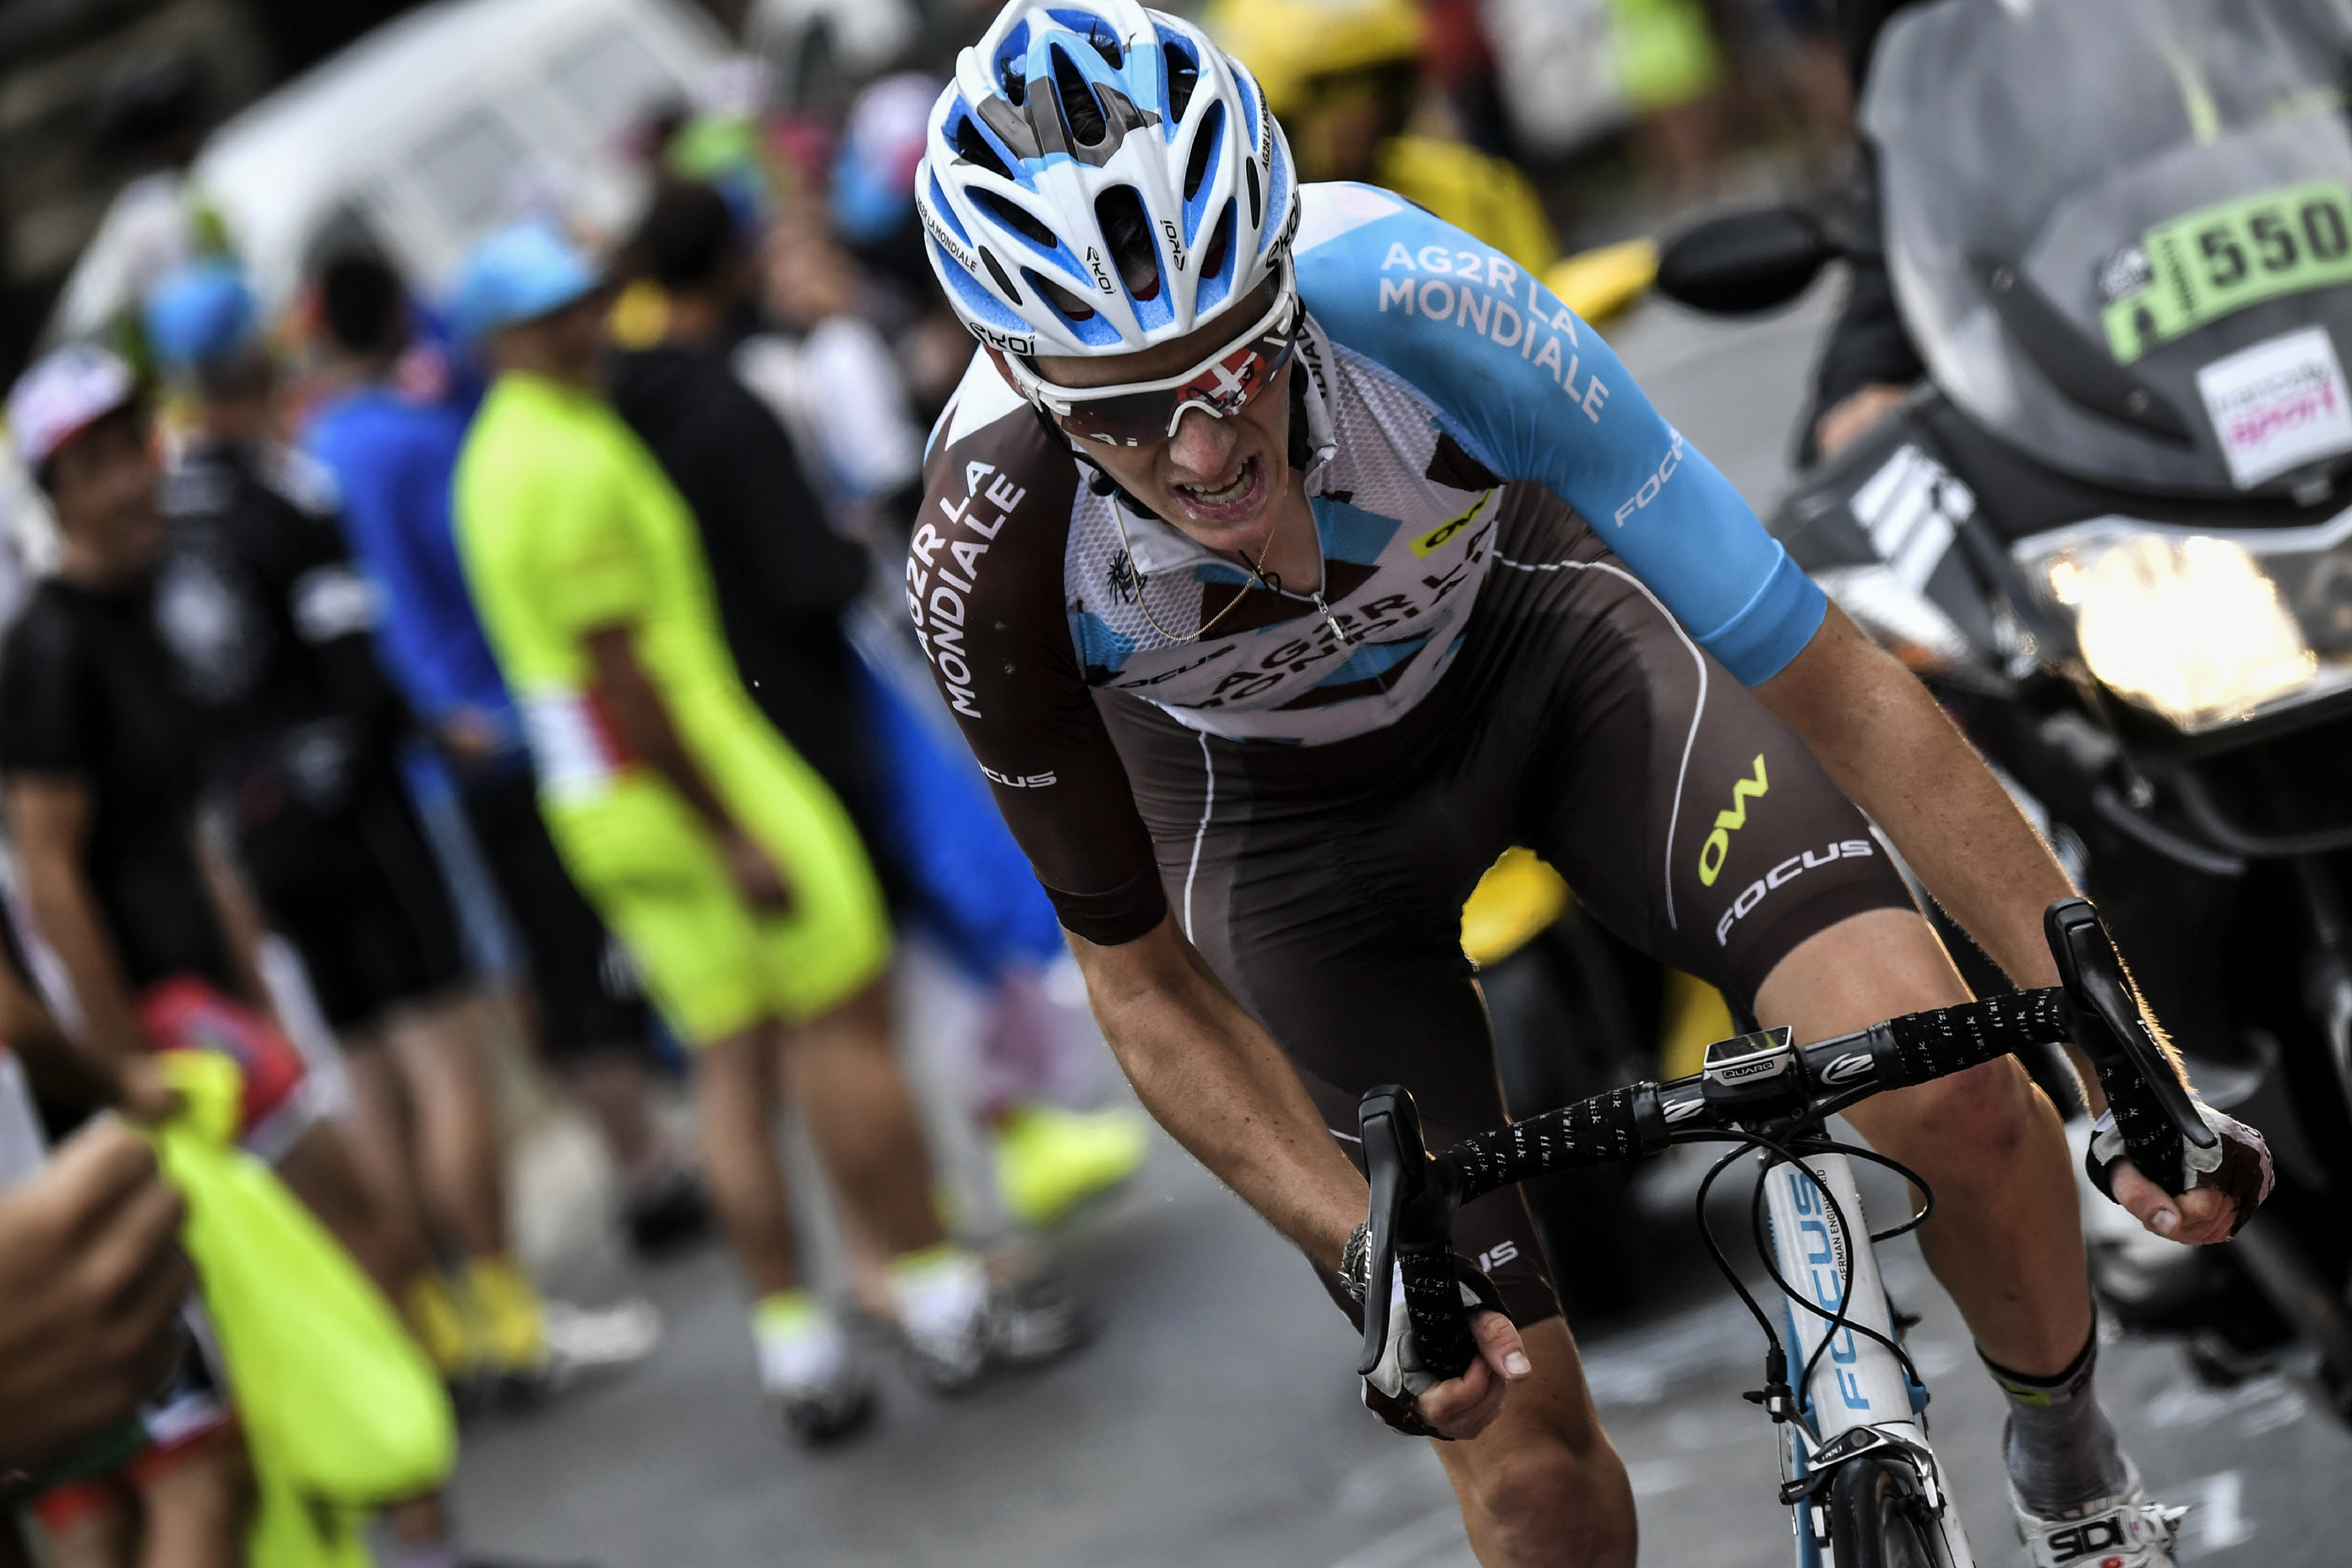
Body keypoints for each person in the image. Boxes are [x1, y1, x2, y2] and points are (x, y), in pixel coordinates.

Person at [906, 6, 2273, 1565]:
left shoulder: (1415, 302)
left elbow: (1825, 679)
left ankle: (2073, 1472)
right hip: (1285, 843)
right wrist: (1363, 1247)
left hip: (1553, 672)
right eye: (1125, 409)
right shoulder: (990, 550)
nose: (1204, 447)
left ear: (1286, 287)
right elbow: (1137, 989)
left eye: (1232, 366)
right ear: (1025, 379)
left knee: (1951, 1086)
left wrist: (2120, 1048)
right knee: (1522, 1463)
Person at [447, 220, 1042, 1444]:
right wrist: (729, 830)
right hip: (697, 780)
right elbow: (620, 671)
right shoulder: (557, 457)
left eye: (587, 298)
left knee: (733, 1059)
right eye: (555, 312)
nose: (585, 322)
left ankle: (801, 1347)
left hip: (612, 805)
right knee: (845, 1021)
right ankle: (938, 1304)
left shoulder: (498, 455)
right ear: (503, 339)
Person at [304, 250, 706, 1257]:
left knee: (523, 962)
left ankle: (626, 1158)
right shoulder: (427, 439)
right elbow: (487, 573)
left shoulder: (322, 449)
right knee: (573, 948)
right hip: (505, 727)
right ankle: (646, 1163)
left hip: (427, 756)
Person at [0, 344, 282, 1568]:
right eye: (94, 463)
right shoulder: (48, 646)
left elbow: (169, 833)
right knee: (187, 1477)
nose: (131, 482)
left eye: (135, 448)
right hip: (77, 1129)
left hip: (86, 1109)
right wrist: (113, 1070)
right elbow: (45, 880)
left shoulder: (118, 616)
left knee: (121, 1488)